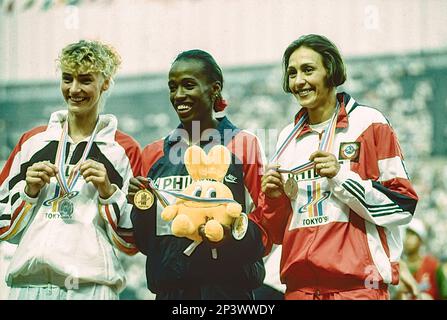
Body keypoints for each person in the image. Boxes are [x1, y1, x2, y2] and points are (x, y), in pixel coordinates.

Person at [259, 34, 418, 300]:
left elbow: (403, 206)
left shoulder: (369, 124)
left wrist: (342, 177)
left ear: (330, 70)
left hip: (356, 289)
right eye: (292, 73)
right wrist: (273, 200)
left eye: (308, 70)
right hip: (300, 290)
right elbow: (277, 233)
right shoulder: (286, 138)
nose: (299, 81)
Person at [0, 40, 141, 300]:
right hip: (29, 287)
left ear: (105, 82)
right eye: (68, 79)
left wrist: (109, 192)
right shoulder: (32, 142)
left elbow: (132, 241)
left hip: (90, 287)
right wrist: (28, 192)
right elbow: (2, 227)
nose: (74, 89)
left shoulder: (123, 149)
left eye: (85, 80)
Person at [128, 49, 266, 300]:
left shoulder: (244, 145)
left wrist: (230, 236)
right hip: (170, 293)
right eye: (173, 87)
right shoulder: (153, 153)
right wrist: (140, 207)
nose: (178, 95)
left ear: (215, 89)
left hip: (228, 293)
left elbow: (266, 225)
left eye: (188, 85)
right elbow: (147, 243)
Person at [399, 218, 441, 299]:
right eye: (407, 234)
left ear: (421, 240)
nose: (407, 239)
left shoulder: (433, 266)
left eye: (412, 234)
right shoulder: (398, 266)